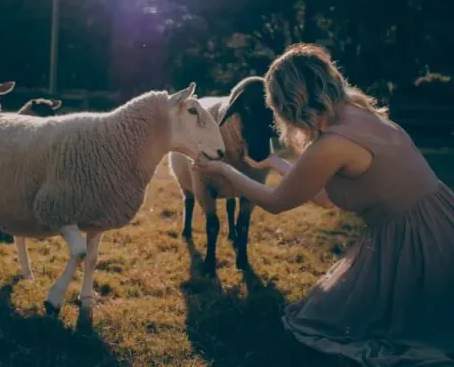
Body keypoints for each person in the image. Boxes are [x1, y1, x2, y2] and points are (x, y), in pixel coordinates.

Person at [194, 43, 454, 366]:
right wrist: (274, 162)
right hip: (441, 216)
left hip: (418, 240)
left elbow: (276, 202)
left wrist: (223, 170)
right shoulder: (360, 114)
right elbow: (324, 197)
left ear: (288, 103)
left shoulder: (332, 143)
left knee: (354, 327)